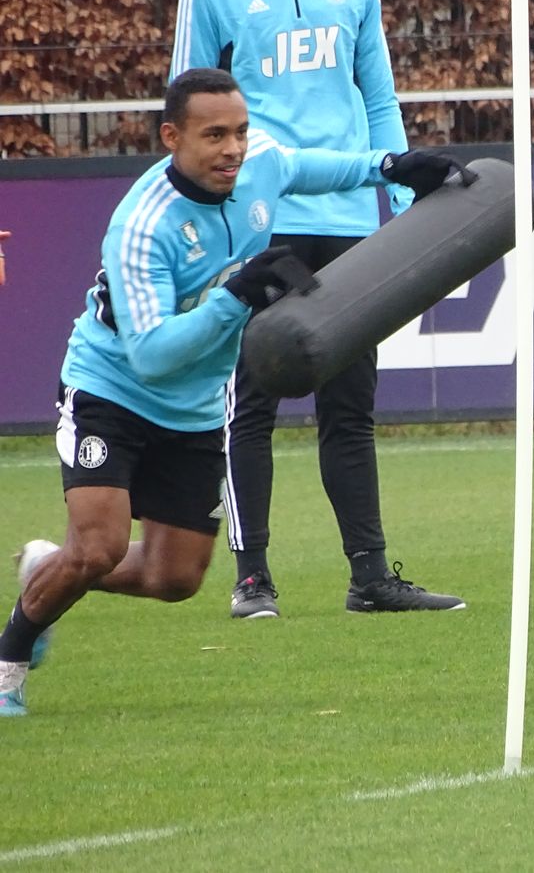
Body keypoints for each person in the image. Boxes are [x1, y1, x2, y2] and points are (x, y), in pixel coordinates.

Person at [0, 68, 470, 716]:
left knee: (177, 578)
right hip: (111, 389)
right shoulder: (142, 225)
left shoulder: (259, 164)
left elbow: (313, 165)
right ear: (172, 136)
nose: (232, 148)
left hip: (192, 406)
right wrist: (237, 294)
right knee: (102, 545)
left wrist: (394, 164)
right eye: (213, 135)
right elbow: (152, 353)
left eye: (241, 132)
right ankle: (11, 658)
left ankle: (46, 569)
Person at [170, 0, 463, 618]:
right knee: (253, 399)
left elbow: (376, 95)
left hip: (348, 218)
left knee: (350, 404)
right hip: (259, 222)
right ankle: (253, 576)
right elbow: (188, 104)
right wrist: (207, 214)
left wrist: (405, 202)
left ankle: (369, 576)